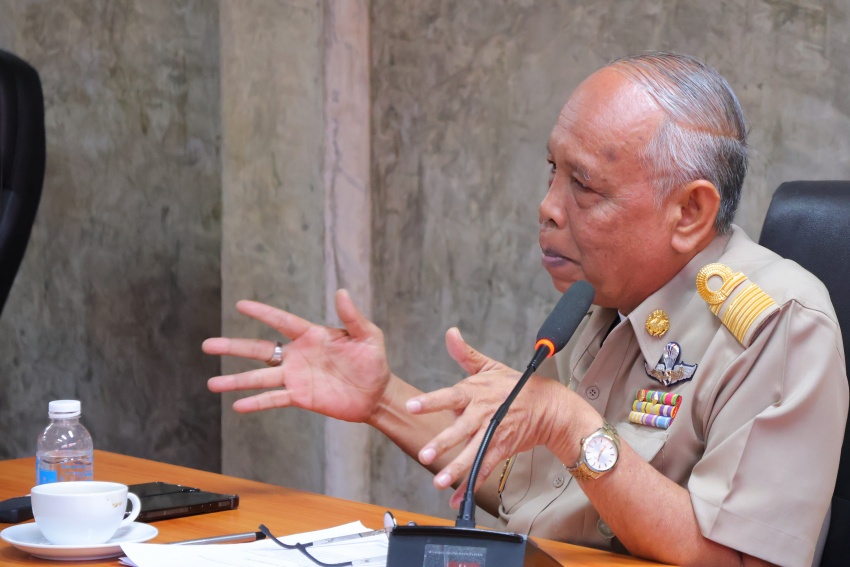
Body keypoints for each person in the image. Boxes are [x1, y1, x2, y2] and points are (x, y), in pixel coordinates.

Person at [203, 52, 848, 567]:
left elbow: (739, 559)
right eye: (551, 171)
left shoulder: (777, 325)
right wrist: (380, 398)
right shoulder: (605, 301)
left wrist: (571, 426)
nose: (548, 207)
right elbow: (525, 478)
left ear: (689, 212)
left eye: (583, 184)